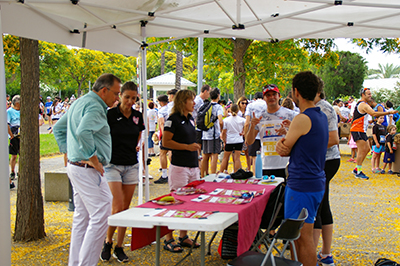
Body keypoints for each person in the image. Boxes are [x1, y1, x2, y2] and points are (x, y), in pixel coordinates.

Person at [53, 73, 121, 266]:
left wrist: (71, 153)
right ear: (104, 90)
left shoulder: (79, 102)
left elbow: (59, 128)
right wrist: (92, 158)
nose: (117, 98)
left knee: (82, 217)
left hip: (77, 167)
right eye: (116, 94)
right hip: (86, 169)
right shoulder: (94, 106)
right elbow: (83, 132)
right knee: (102, 212)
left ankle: (76, 263)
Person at [276, 71, 328, 266]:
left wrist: (285, 142)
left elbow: (284, 148)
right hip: (314, 182)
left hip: (302, 185)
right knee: (300, 237)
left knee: (302, 238)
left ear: (296, 92)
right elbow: (299, 146)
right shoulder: (320, 116)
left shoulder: (302, 119)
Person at [100, 81, 144, 263]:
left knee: (125, 208)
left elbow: (140, 133)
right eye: (127, 97)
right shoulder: (110, 114)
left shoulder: (137, 116)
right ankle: (107, 241)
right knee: (117, 206)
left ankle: (119, 246)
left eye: (134, 98)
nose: (130, 101)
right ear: (120, 96)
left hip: (131, 165)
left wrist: (137, 145)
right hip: (112, 164)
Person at [162, 89, 201, 252]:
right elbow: (166, 142)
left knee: (189, 202)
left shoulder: (190, 118)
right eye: (191, 100)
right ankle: (168, 238)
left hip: (193, 166)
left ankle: (183, 236)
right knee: (176, 202)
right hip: (179, 166)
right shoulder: (173, 119)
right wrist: (186, 147)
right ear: (182, 101)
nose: (194, 103)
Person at [313, 78, 340, 266]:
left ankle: (314, 253)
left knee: (318, 206)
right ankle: (324, 253)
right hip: (324, 160)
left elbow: (333, 138)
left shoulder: (323, 108)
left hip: (326, 160)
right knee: (323, 204)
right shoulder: (319, 107)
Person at [246, 85, 297, 178]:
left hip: (286, 164)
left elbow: (300, 137)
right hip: (266, 165)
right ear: (264, 98)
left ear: (279, 96)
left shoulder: (290, 114)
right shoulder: (259, 116)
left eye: (274, 94)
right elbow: (249, 141)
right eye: (268, 95)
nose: (271, 97)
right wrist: (252, 126)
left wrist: (286, 132)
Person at [349, 88, 397, 180]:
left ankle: (356, 169)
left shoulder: (364, 104)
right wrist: (389, 112)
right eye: (368, 94)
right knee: (361, 150)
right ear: (363, 95)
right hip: (358, 129)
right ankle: (358, 171)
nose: (370, 96)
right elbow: (374, 113)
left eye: (370, 94)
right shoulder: (363, 105)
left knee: (367, 149)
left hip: (361, 130)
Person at [201, 88, 224, 177]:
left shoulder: (205, 105)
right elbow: (221, 121)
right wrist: (221, 130)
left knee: (205, 155)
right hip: (214, 134)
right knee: (214, 155)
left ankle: (203, 175)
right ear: (218, 95)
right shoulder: (218, 107)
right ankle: (213, 175)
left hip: (205, 133)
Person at [244, 92, 267, 173]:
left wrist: (246, 136)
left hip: (254, 134)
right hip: (265, 134)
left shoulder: (250, 105)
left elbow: (247, 123)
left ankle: (256, 177)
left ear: (254, 98)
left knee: (254, 157)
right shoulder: (267, 104)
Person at [220, 104, 245, 172]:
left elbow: (224, 132)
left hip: (229, 140)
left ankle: (221, 172)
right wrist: (243, 133)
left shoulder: (226, 120)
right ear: (238, 110)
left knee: (225, 158)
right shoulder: (242, 120)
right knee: (237, 158)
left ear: (230, 110)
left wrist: (224, 141)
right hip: (239, 139)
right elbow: (246, 128)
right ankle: (237, 172)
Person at [154, 94, 170, 184]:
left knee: (162, 153)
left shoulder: (161, 111)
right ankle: (173, 173)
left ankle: (164, 174)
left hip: (165, 133)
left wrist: (164, 135)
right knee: (171, 152)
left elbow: (162, 123)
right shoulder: (171, 108)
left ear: (160, 102)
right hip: (174, 132)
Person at [193, 84, 211, 161]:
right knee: (198, 145)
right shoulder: (197, 101)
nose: (209, 95)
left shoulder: (202, 101)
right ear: (205, 91)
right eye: (209, 92)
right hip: (197, 126)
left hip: (200, 126)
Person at [7, 95, 20, 189]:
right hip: (14, 135)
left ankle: (20, 171)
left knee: (22, 154)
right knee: (14, 155)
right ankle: (12, 171)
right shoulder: (9, 112)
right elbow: (7, 124)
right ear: (16, 103)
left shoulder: (22, 111)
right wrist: (11, 135)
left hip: (21, 135)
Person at [237, 96, 251, 171]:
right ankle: (239, 168)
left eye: (246, 103)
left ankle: (248, 168)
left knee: (247, 153)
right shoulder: (237, 113)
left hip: (246, 134)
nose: (244, 105)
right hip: (239, 134)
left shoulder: (247, 113)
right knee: (237, 153)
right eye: (242, 103)